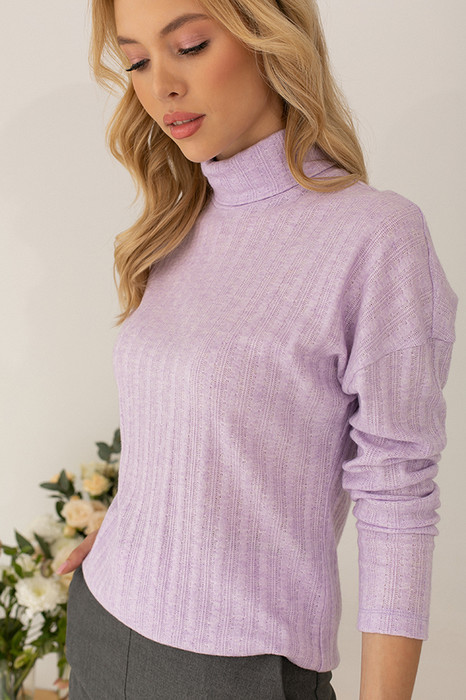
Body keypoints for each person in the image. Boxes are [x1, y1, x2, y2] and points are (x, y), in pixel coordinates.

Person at [56, 0, 457, 698]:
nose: (160, 87)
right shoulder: (180, 218)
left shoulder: (375, 237)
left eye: (190, 45)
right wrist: (133, 534)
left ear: (270, 35)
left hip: (238, 668)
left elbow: (397, 495)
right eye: (138, 60)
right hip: (104, 618)